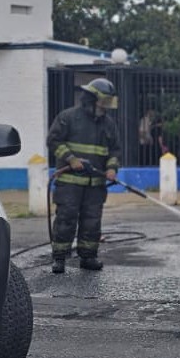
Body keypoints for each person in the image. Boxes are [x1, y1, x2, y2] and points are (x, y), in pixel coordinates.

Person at [47, 78, 121, 273]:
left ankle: (88, 257)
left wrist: (112, 169)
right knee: (66, 220)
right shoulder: (68, 117)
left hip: (95, 184)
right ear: (92, 98)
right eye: (104, 100)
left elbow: (115, 150)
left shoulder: (109, 124)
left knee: (92, 222)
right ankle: (59, 258)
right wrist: (71, 159)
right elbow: (53, 141)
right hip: (70, 183)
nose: (106, 106)